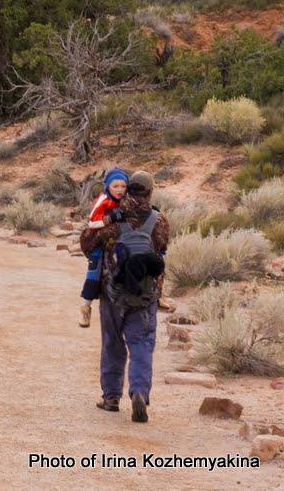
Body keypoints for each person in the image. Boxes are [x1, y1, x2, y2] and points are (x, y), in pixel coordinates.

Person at [81, 170, 170, 424]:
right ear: (150, 192)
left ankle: (110, 398)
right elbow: (162, 248)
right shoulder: (158, 218)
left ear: (128, 190)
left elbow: (87, 242)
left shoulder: (113, 216)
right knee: (141, 343)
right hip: (146, 292)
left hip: (113, 290)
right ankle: (139, 393)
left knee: (112, 342)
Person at [79, 167, 129, 328]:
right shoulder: (103, 200)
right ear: (108, 186)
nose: (120, 190)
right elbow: (92, 223)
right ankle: (85, 308)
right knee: (94, 271)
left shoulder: (126, 199)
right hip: (98, 240)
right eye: (116, 186)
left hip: (118, 239)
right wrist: (111, 217)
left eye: (123, 186)